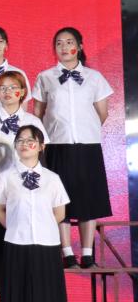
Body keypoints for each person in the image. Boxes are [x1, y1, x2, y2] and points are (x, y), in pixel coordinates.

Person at [33, 27, 113, 269]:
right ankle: (66, 253)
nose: (64, 47)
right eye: (59, 43)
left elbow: (102, 113)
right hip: (57, 146)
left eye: (69, 42)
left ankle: (87, 254)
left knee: (89, 199)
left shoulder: (94, 77)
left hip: (88, 146)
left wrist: (85, 130)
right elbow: (38, 113)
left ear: (79, 46)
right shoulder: (45, 77)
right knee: (60, 199)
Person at [0, 125, 70, 302]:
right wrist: (15, 227)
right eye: (20, 140)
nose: (25, 144)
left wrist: (43, 226)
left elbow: (59, 213)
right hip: (17, 244)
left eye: (30, 140)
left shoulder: (52, 178)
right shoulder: (6, 177)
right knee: (21, 301)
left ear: (41, 146)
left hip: (47, 245)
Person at [0, 70, 45, 286]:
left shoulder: (33, 121)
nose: (7, 92)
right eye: (3, 88)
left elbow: (42, 154)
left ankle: (27, 297)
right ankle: (5, 300)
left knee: (24, 241)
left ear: (22, 92)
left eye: (13, 87)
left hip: (26, 187)